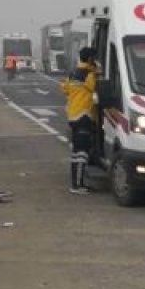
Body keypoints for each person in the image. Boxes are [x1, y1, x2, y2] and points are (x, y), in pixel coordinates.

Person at [59, 46, 98, 194]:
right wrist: (96, 72)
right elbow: (95, 88)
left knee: (76, 152)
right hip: (84, 115)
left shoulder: (73, 72)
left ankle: (76, 183)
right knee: (82, 152)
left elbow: (64, 88)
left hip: (73, 115)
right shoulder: (89, 74)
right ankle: (77, 186)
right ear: (90, 59)